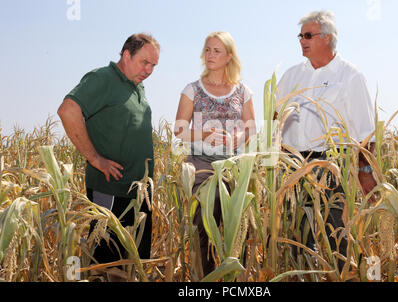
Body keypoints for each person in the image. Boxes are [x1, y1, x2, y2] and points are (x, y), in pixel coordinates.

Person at [276, 11, 377, 272]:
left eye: (308, 35)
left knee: (337, 231)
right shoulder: (290, 76)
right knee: (297, 232)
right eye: (301, 35)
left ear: (328, 38)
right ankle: (301, 276)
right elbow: (273, 118)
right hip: (293, 165)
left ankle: (342, 274)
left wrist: (366, 174)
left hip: (332, 164)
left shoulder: (350, 76)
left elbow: (365, 132)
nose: (302, 40)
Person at [57, 33, 159, 276]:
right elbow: (68, 110)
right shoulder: (102, 79)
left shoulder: (137, 87)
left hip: (140, 193)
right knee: (107, 263)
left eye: (153, 65)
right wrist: (95, 159)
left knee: (135, 264)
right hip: (112, 190)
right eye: (144, 62)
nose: (149, 70)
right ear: (126, 55)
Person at [174, 31, 256, 277]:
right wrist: (204, 135)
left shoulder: (242, 92)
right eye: (207, 49)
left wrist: (236, 138)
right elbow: (179, 129)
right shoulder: (193, 89)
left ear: (229, 56)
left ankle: (234, 279)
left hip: (232, 169)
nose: (210, 55)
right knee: (202, 230)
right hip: (200, 167)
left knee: (237, 228)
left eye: (217, 50)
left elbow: (251, 128)